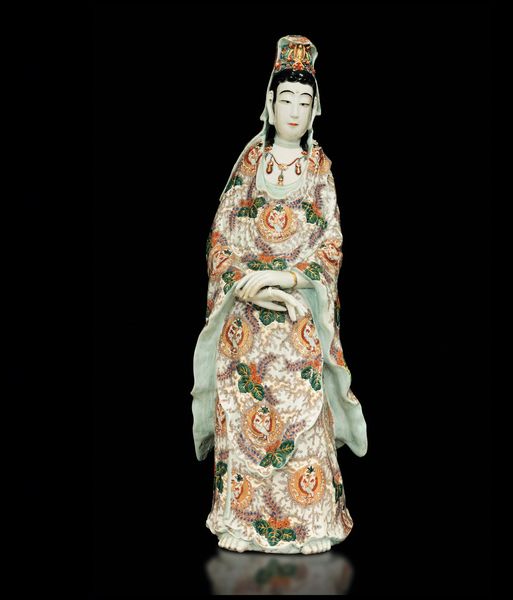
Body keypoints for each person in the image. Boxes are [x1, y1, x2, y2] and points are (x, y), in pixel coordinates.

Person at [191, 35, 367, 555]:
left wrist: (287, 282)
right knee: (240, 402)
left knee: (303, 414)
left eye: (303, 101)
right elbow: (221, 238)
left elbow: (330, 246)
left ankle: (312, 523)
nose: (293, 110)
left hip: (296, 319)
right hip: (246, 317)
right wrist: (248, 281)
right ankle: (240, 522)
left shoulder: (320, 171)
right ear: (269, 104)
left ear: (314, 111)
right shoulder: (250, 165)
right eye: (285, 98)